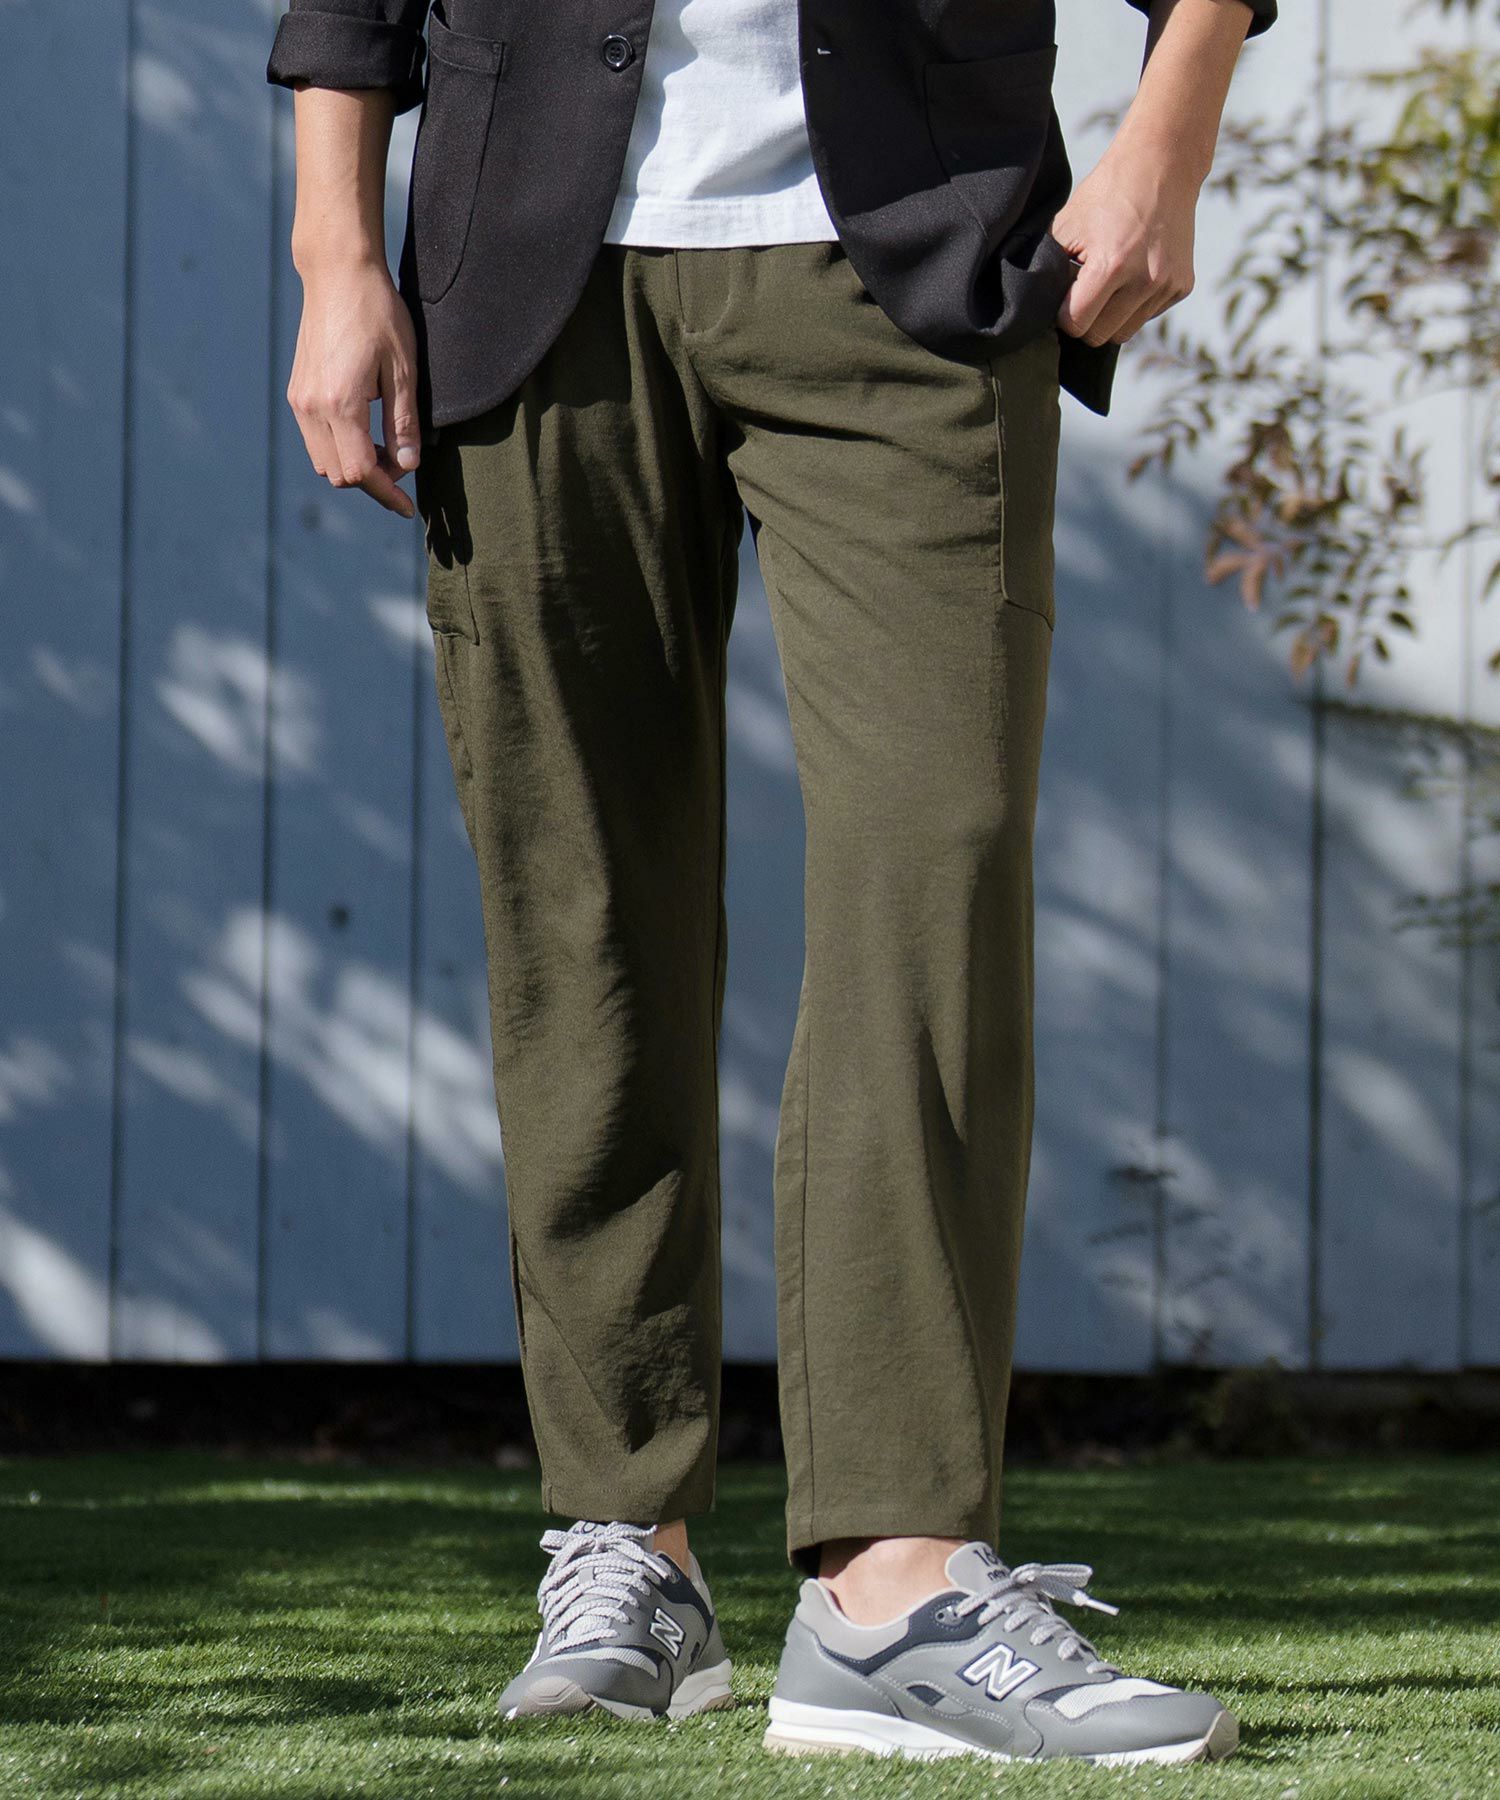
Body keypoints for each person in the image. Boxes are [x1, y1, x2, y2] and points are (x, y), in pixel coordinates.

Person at [266, 0, 1273, 1766]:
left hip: (914, 243)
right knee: (581, 912)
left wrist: (1168, 136)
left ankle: (894, 1579)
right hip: (535, 268)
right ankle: (625, 1547)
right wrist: (334, 249)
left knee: (932, 880)